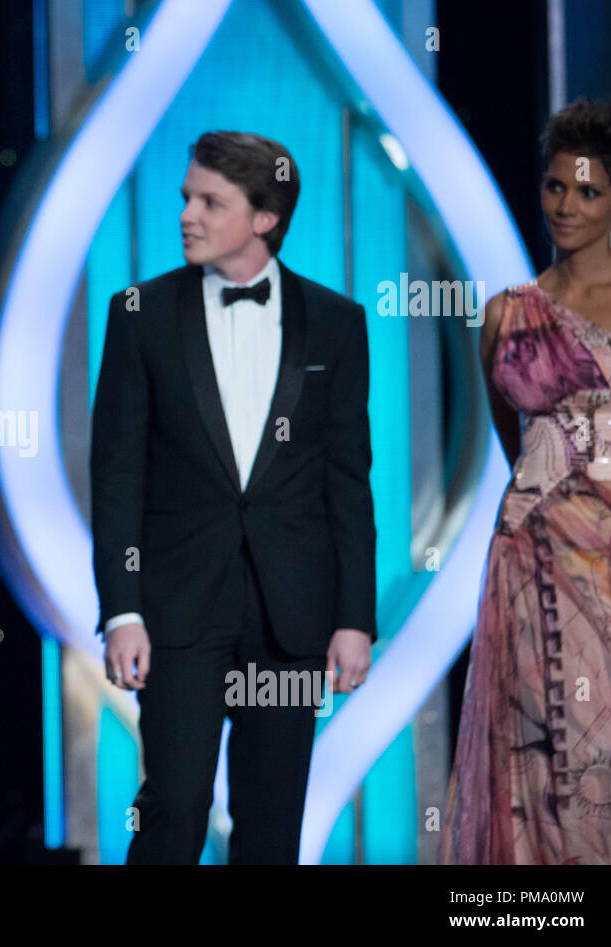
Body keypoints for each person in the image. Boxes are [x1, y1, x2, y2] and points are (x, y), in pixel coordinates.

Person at [91, 131, 376, 864]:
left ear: (263, 217)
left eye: (209, 201)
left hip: (293, 609)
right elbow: (118, 473)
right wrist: (121, 609)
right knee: (175, 803)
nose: (186, 213)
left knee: (273, 822)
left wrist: (354, 619)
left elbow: (347, 480)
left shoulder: (338, 323)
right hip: (178, 607)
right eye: (186, 196)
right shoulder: (138, 314)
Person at [441, 98, 611, 864]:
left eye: (589, 192)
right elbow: (520, 442)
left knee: (610, 761)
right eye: (556, 187)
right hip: (530, 568)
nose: (567, 206)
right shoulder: (505, 315)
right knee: (536, 764)